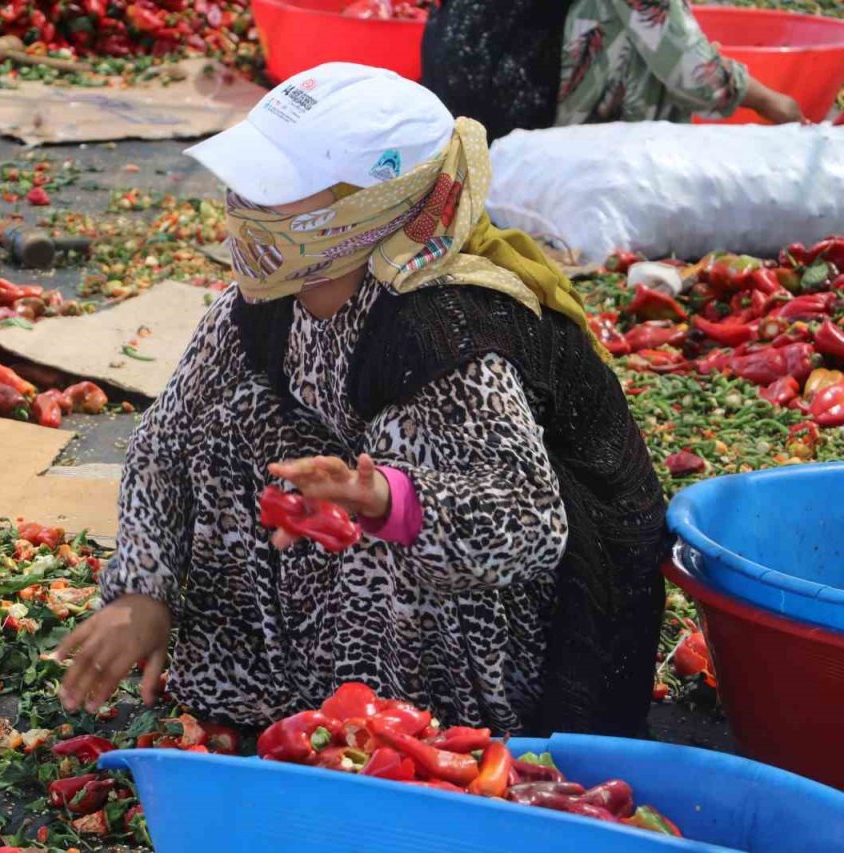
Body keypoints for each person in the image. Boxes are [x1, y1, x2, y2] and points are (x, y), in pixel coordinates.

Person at [56, 63, 668, 737]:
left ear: (368, 206)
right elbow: (163, 444)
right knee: (222, 425)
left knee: (391, 467)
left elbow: (528, 525)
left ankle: (401, 736)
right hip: (379, 526)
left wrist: (385, 501)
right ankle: (254, 698)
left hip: (538, 630)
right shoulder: (265, 304)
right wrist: (144, 588)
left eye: (272, 191)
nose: (241, 206)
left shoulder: (444, 334)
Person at [423, 0, 804, 141]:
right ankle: (645, 170)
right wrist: (772, 101)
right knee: (647, 34)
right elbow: (692, 75)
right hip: (518, 112)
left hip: (454, 106)